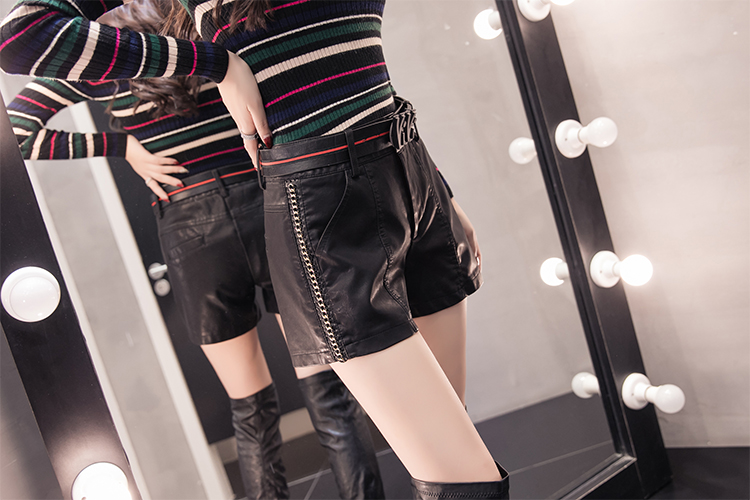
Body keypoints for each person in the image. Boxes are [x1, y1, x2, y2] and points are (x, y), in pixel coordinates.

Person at [0, 1, 510, 498]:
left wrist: (122, 146)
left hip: (292, 194)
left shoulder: (140, 50)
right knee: (349, 407)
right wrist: (214, 66)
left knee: (255, 405)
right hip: (293, 190)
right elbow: (21, 38)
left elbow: (20, 127)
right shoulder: (189, 31)